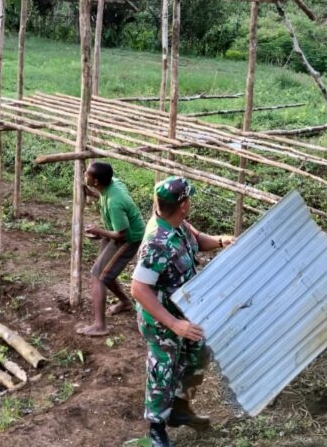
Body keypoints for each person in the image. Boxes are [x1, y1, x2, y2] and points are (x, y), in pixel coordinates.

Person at [130, 177, 234, 447]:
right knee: (163, 368)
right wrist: (174, 324)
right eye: (189, 199)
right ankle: (156, 427)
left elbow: (198, 240)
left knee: (200, 353)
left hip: (185, 311)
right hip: (161, 319)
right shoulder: (157, 241)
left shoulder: (178, 225)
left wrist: (222, 241)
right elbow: (139, 288)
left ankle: (180, 407)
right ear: (183, 205)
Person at [77, 161, 146, 337]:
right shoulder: (112, 184)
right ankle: (125, 302)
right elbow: (105, 194)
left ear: (97, 181)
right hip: (116, 233)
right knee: (105, 273)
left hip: (129, 239)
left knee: (97, 276)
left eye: (88, 175)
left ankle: (100, 325)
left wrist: (98, 231)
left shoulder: (115, 202)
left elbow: (122, 235)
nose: (85, 175)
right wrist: (93, 193)